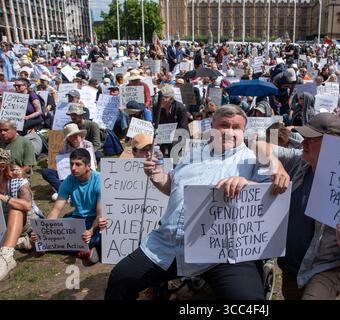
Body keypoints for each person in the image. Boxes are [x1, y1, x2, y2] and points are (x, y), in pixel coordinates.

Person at [104, 104, 290, 300]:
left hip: (223, 254)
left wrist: (247, 184)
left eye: (236, 127)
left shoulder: (255, 159)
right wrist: (158, 176)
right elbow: (172, 186)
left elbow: (271, 195)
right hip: (168, 246)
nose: (229, 131)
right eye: (223, 125)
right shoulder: (192, 154)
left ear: (243, 132)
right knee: (120, 279)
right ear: (212, 127)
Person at [256, 113, 340, 299]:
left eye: (311, 140)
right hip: (291, 268)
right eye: (304, 138)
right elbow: (259, 146)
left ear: (333, 145)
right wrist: (276, 165)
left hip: (325, 269)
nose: (303, 143)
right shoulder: (300, 161)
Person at [32, 149, 106, 264]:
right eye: (71, 164)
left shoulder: (99, 180)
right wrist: (44, 231)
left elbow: (99, 215)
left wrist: (90, 231)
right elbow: (56, 210)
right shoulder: (69, 180)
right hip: (78, 219)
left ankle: (59, 246)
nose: (73, 168)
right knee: (59, 231)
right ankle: (83, 251)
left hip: (96, 220)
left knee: (102, 237)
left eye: (78, 164)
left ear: (88, 166)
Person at [0, 149, 34, 281]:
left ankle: (6, 258)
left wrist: (4, 198)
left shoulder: (17, 180)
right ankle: (19, 243)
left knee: (16, 208)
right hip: (3, 226)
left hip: (24, 222)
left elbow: (27, 205)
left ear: (2, 166)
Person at [42, 123, 95, 201]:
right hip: (68, 174)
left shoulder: (88, 145)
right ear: (69, 138)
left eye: (78, 134)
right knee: (46, 172)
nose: (76, 137)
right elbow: (61, 166)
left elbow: (92, 164)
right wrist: (55, 163)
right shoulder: (64, 147)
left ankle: (66, 192)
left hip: (84, 174)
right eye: (73, 135)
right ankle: (66, 192)